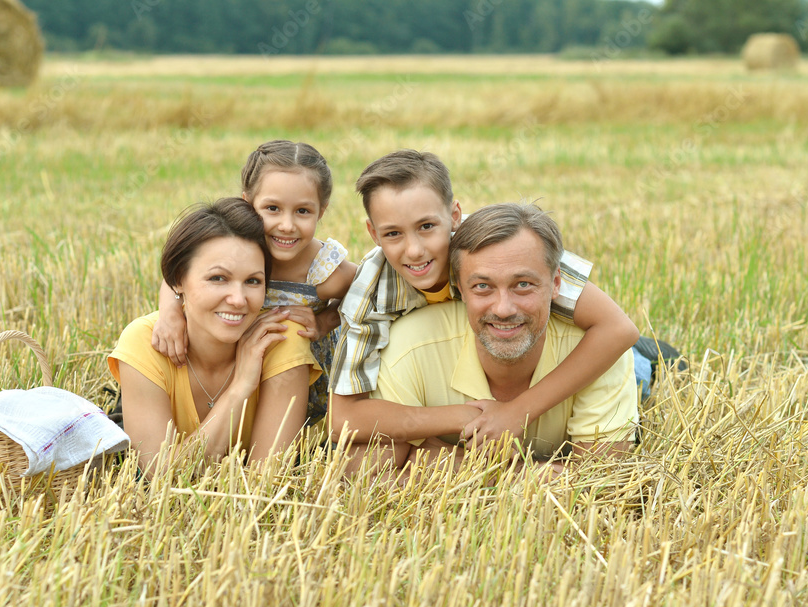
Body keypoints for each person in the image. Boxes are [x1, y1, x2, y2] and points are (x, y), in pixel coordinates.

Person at [329, 149, 641, 445]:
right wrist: (464, 418)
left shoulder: (499, 247)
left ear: (454, 216)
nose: (414, 250)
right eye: (393, 233)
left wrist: (518, 412)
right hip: (453, 364)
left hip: (538, 346)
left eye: (426, 226)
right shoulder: (370, 291)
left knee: (633, 368)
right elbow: (342, 418)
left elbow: (618, 329)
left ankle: (647, 366)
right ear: (373, 233)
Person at [348, 202, 639, 477]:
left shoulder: (601, 351)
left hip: (627, 362)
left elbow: (601, 479)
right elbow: (364, 471)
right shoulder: (409, 347)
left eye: (522, 284)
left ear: (556, 285)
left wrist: (437, 458)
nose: (503, 309)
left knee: (643, 370)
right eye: (482, 286)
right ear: (459, 288)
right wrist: (517, 475)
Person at [109, 198, 321, 478]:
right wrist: (240, 387)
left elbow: (266, 478)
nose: (238, 299)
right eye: (218, 278)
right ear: (178, 280)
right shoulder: (143, 342)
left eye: (253, 281)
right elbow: (163, 477)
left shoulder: (281, 339)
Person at [152, 140, 356, 424]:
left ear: (321, 211)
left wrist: (324, 322)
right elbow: (178, 273)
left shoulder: (321, 271)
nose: (287, 225)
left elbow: (367, 291)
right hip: (239, 365)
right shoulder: (234, 248)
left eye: (303, 211)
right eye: (272, 208)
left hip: (296, 377)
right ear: (247, 203)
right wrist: (170, 312)